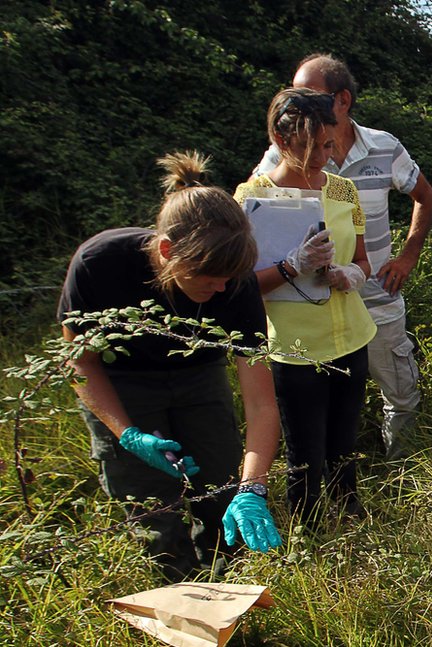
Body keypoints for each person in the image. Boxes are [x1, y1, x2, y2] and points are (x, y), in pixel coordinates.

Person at [59, 151, 283, 582]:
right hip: (121, 383)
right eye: (208, 279)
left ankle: (226, 601)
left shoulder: (234, 283)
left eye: (228, 280)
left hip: (200, 379)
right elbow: (80, 363)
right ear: (167, 252)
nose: (220, 290)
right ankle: (175, 601)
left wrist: (252, 486)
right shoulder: (100, 264)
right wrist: (126, 434)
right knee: (152, 512)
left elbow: (261, 404)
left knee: (221, 495)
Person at [253, 54, 432, 460]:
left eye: (310, 94)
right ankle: (323, 495)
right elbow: (256, 213)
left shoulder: (384, 146)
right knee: (315, 423)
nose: (298, 103)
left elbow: (425, 196)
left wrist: (407, 257)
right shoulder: (279, 152)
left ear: (343, 101)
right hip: (307, 317)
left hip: (376, 298)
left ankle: (398, 471)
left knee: (400, 396)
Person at [236, 87, 375, 523]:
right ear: (280, 143)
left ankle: (351, 520)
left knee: (345, 445)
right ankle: (308, 534)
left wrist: (352, 275)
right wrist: (291, 266)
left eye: (329, 145)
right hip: (296, 350)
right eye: (310, 148)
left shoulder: (345, 190)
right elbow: (240, 287)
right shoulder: (251, 200)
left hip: (351, 338)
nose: (323, 157)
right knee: (305, 455)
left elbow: (364, 260)